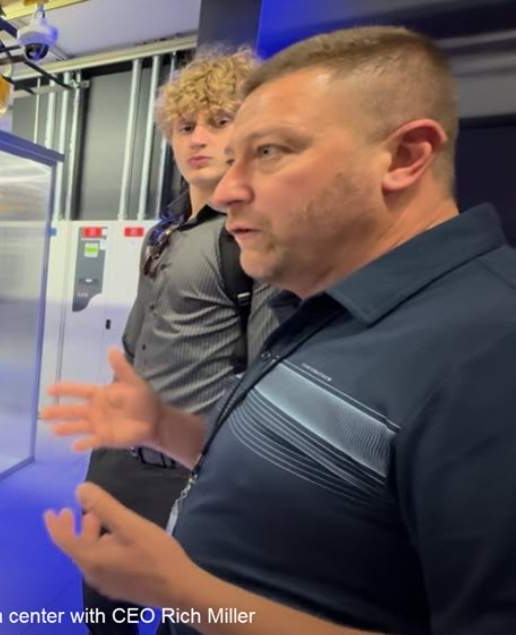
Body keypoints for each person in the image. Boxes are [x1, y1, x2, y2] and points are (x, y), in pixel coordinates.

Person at [42, 25, 516, 635]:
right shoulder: (328, 299)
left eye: (268, 151)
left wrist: (183, 591)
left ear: (404, 157)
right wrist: (163, 427)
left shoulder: (491, 350)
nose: (229, 187)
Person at [82, 48, 280, 634]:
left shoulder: (255, 236)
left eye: (219, 121)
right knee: (103, 605)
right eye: (185, 126)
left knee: (190, 619)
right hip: (120, 457)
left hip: (193, 470)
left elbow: (268, 373)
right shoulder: (163, 232)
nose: (199, 139)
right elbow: (138, 340)